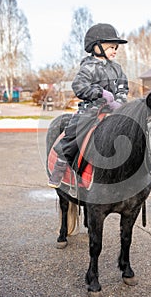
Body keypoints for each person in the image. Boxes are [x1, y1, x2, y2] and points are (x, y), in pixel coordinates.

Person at [48, 23, 129, 188]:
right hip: (91, 110)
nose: (115, 51)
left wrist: (119, 102)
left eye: (115, 48)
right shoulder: (88, 67)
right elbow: (79, 87)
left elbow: (123, 87)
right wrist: (100, 93)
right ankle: (61, 164)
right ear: (96, 47)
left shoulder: (118, 68)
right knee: (75, 130)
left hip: (113, 111)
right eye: (110, 47)